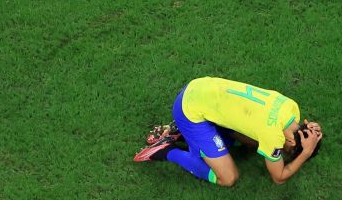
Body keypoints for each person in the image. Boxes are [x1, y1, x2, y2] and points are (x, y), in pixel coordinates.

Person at [132, 77, 321, 186]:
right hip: (189, 110)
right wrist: (305, 153)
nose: (283, 154)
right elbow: (279, 177)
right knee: (228, 178)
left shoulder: (291, 108)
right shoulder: (272, 135)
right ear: (292, 143)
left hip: (199, 87)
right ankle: (165, 150)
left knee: (254, 144)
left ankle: (182, 132)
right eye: (288, 152)